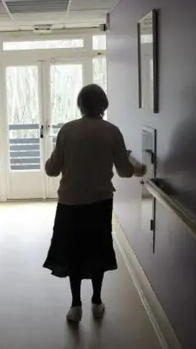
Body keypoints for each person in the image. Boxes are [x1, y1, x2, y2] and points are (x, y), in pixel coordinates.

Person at [42, 83, 140, 323]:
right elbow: (126, 172)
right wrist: (131, 161)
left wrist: (55, 160)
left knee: (73, 252)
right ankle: (97, 301)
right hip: (100, 203)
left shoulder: (67, 130)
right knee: (98, 251)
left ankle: (76, 306)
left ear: (80, 104)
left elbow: (52, 171)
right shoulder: (112, 131)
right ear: (103, 105)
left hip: (70, 203)